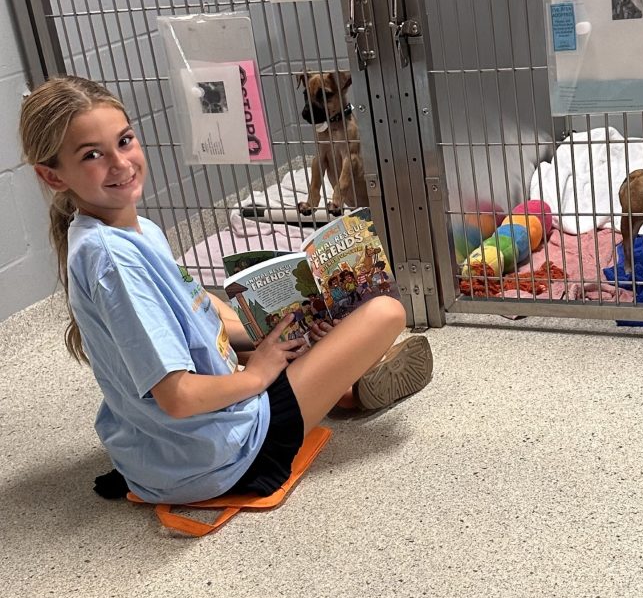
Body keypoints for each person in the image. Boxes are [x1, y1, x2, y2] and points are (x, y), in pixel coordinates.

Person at [18, 76, 433, 505]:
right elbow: (177, 398)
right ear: (53, 176)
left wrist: (282, 331)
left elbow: (201, 309)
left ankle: (344, 385)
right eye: (92, 155)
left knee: (254, 326)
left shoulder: (126, 231)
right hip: (219, 459)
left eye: (124, 141)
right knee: (385, 312)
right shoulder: (113, 261)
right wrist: (259, 373)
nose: (120, 164)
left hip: (168, 450)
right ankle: (349, 380)